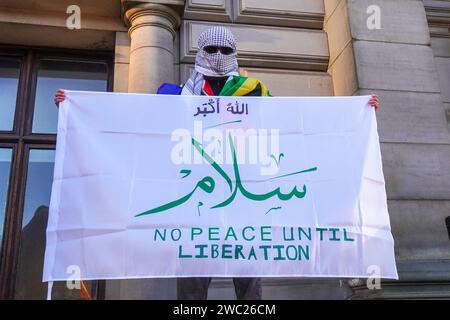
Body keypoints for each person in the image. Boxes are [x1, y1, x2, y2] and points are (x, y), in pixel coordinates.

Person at [54, 26, 379, 300]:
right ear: (200, 51)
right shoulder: (172, 96)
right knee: (193, 283)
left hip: (244, 201)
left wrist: (356, 115)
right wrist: (76, 108)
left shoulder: (256, 92)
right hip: (194, 202)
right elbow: (135, 126)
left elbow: (292, 129)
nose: (219, 56)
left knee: (249, 281)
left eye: (226, 50)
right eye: (212, 48)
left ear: (235, 53)